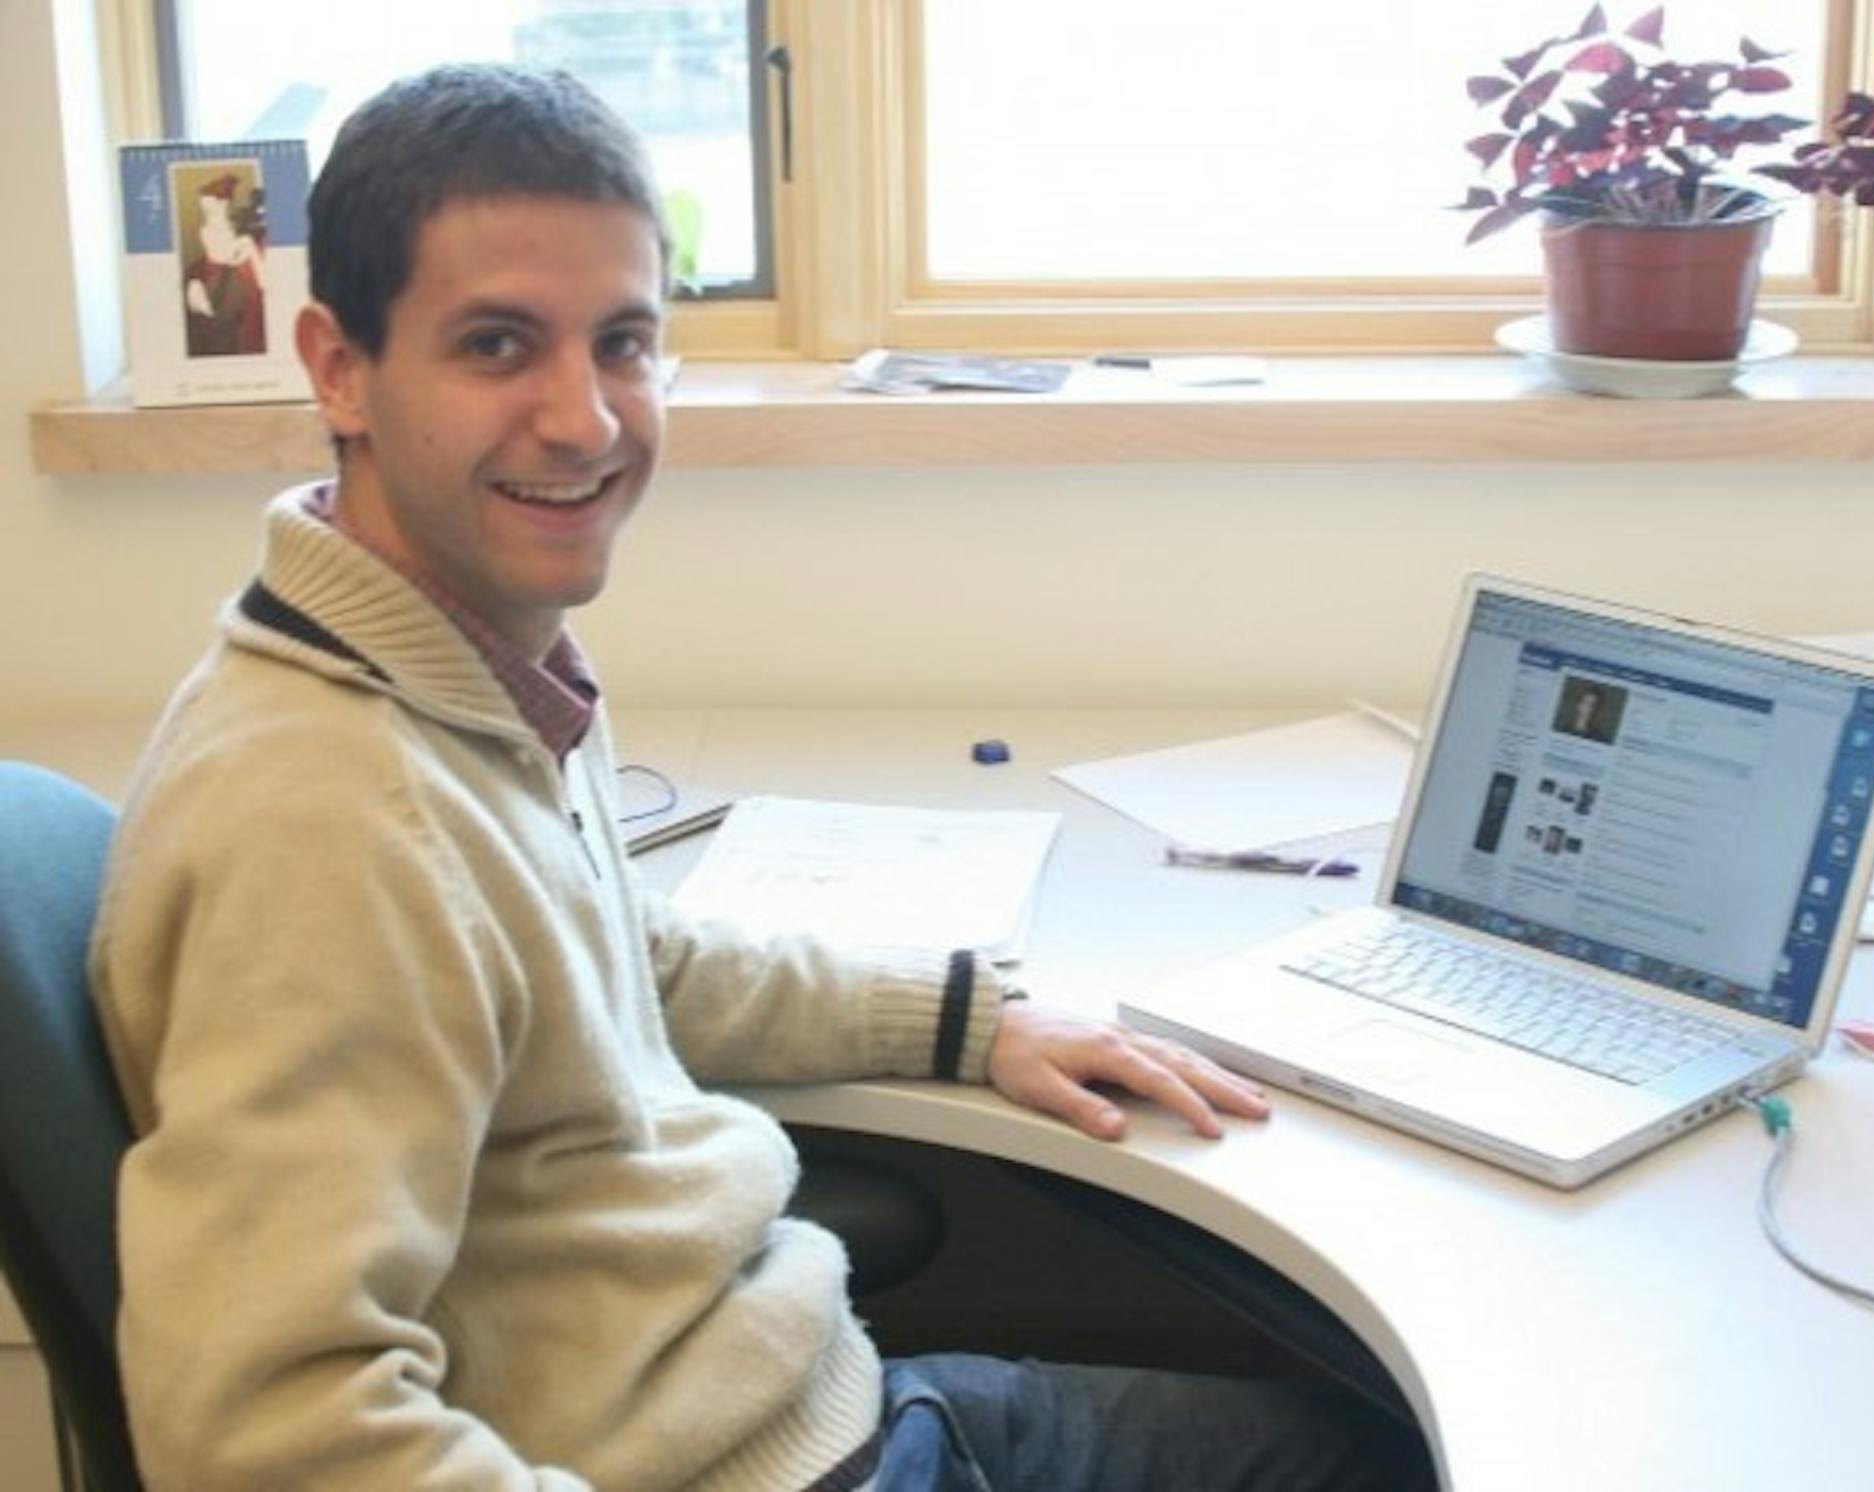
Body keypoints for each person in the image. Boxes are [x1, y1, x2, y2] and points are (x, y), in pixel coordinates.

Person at [91, 65, 1425, 1492]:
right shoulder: (327, 829)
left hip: (778, 1404)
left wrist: (978, 1019)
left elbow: (620, 968)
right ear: (339, 366)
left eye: (622, 343)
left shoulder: (449, 668)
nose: (587, 419)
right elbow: (265, 1436)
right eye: (496, 346)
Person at [182, 171, 266, 356]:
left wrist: (246, 246)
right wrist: (242, 246)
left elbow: (237, 256)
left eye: (213, 205)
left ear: (224, 204)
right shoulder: (206, 230)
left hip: (235, 281)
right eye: (206, 206)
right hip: (217, 280)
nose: (208, 210)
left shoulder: (232, 226)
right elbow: (223, 256)